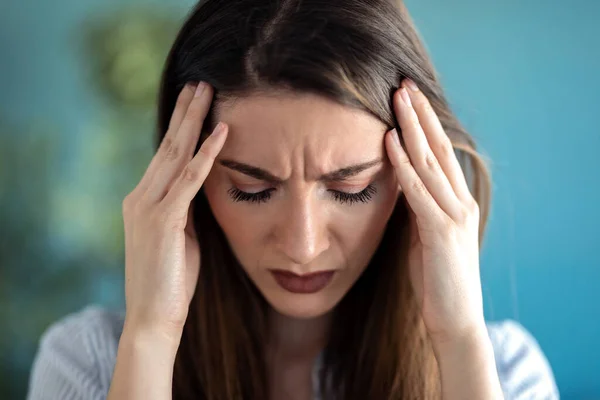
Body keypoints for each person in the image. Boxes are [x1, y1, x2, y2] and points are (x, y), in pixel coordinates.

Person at [27, 0, 560, 399]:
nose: (303, 246)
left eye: (351, 189)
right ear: (182, 184)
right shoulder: (90, 364)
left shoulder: (504, 373)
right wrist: (150, 337)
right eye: (252, 190)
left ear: (415, 181)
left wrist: (458, 342)